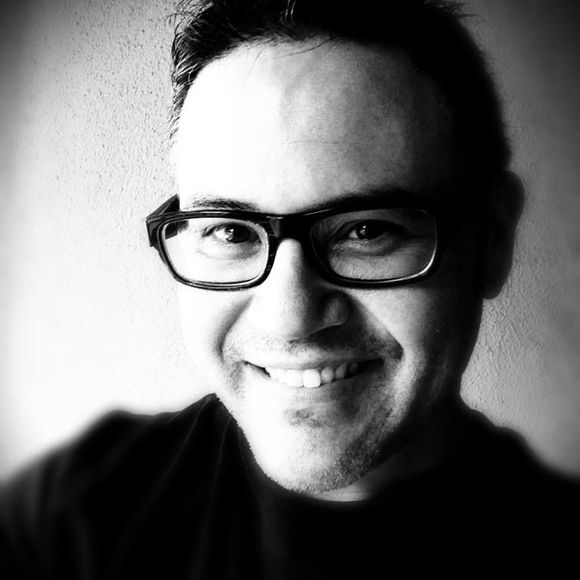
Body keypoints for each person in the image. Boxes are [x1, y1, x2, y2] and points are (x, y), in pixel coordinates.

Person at [1, 0, 578, 578]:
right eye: (231, 231)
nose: (290, 318)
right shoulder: (69, 515)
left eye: (366, 231)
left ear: (492, 239)